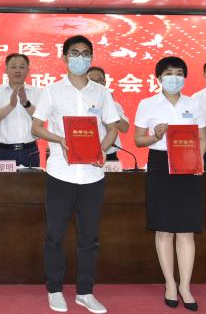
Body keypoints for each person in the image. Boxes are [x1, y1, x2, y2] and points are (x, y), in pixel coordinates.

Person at [31, 35, 119, 314]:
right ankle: (55, 289)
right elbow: (36, 127)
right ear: (64, 57)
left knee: (89, 237)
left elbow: (113, 128)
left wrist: (102, 150)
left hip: (92, 176)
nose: (80, 58)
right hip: (61, 173)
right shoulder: (51, 91)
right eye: (74, 53)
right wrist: (60, 140)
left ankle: (85, 292)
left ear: (91, 58)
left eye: (85, 53)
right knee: (55, 234)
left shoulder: (101, 93)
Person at [133, 56, 206, 311]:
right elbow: (138, 140)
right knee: (163, 229)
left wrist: (198, 159)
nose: (174, 78)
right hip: (160, 165)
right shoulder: (147, 104)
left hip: (188, 164)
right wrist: (156, 135)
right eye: (168, 73)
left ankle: (185, 286)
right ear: (159, 78)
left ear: (184, 77)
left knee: (186, 230)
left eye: (178, 73)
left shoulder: (194, 103)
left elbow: (202, 138)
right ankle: (170, 284)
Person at [0, 53, 41, 167]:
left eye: (22, 67)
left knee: (32, 180)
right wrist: (11, 106)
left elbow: (41, 119)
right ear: (6, 70)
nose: (17, 70)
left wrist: (26, 103)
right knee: (1, 180)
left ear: (28, 70)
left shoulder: (38, 92)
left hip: (30, 151)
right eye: (13, 67)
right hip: (2, 152)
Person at [87, 66, 129, 162]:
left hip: (110, 154)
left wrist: (109, 107)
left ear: (105, 82)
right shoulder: (81, 104)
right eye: (92, 80)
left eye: (100, 80)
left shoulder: (114, 105)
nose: (96, 84)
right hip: (86, 152)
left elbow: (125, 128)